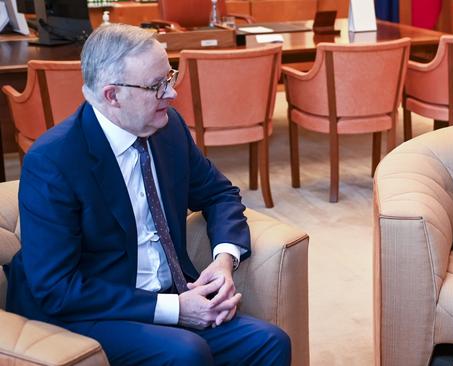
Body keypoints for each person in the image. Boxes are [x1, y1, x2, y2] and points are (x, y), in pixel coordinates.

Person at [4, 23, 290, 365]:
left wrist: (223, 261)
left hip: (170, 293)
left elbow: (219, 194)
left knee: (270, 342)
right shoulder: (55, 160)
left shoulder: (168, 130)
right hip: (90, 311)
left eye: (169, 77)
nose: (171, 94)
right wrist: (175, 309)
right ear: (113, 95)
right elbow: (56, 288)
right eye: (157, 86)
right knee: (187, 352)